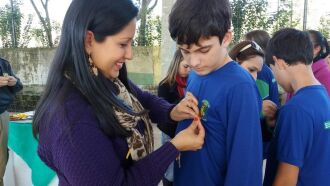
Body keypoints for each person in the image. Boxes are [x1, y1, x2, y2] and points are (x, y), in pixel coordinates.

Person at [32, 0, 205, 185]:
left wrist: (172, 112)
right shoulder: (71, 119)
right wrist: (173, 147)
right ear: (89, 40)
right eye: (123, 44)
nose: (130, 54)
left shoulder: (104, 79)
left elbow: (140, 98)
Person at [168, 0, 263, 185]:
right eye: (185, 51)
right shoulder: (196, 74)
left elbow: (245, 168)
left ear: (226, 38)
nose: (193, 62)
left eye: (203, 49)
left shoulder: (240, 87)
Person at [263, 28, 330, 186]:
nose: (276, 79)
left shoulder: (296, 110)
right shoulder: (322, 96)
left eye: (273, 71)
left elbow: (286, 180)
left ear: (279, 63)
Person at [229, 40, 277, 139]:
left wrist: (269, 122)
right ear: (236, 62)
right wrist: (257, 108)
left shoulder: (249, 89)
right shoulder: (220, 87)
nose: (254, 77)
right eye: (251, 70)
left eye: (257, 72)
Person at [157, 49, 191, 186]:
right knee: (170, 171)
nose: (189, 70)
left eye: (191, 67)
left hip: (186, 132)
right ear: (176, 63)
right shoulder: (165, 85)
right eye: (185, 66)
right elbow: (162, 114)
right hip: (170, 133)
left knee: (184, 168)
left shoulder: (192, 83)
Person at [286, 30, 330, 101]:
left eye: (302, 45)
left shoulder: (325, 76)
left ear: (316, 49)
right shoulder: (298, 68)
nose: (296, 49)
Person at [0, 57, 23, 186]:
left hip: (2, 115)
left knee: (1, 160)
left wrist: (14, 82)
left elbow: (19, 86)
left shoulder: (3, 63)